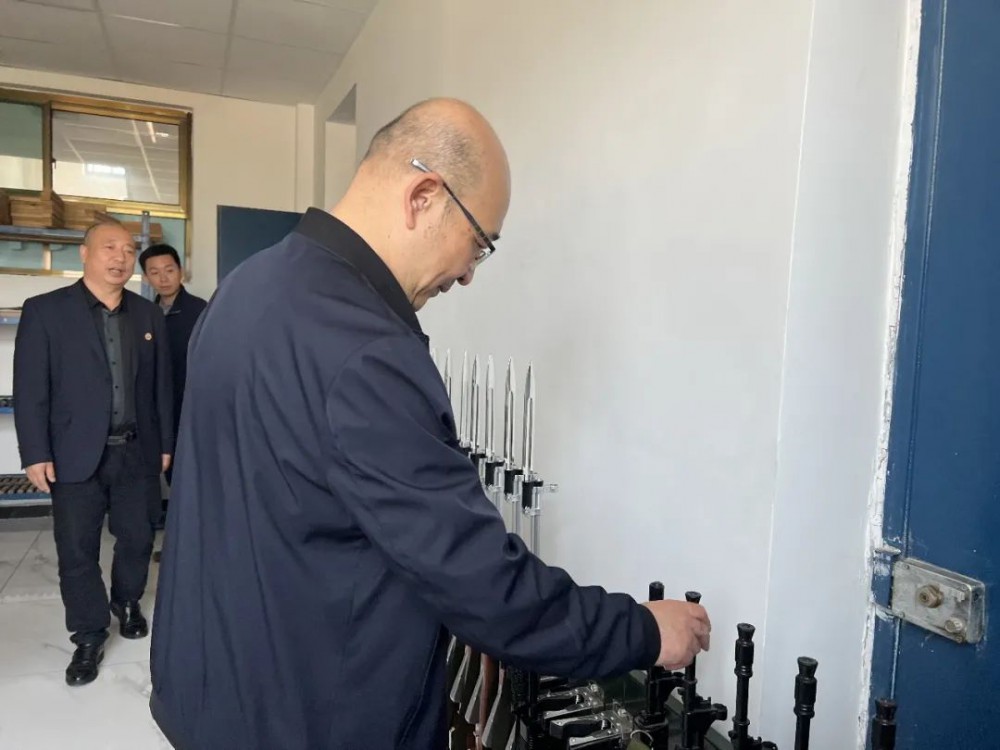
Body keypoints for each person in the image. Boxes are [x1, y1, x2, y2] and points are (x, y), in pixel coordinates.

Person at [150, 99, 711, 749]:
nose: (469, 274)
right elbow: (482, 585)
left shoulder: (248, 286)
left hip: (212, 691)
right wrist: (643, 630)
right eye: (479, 243)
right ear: (423, 197)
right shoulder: (366, 350)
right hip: (308, 719)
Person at [14, 218, 173, 687]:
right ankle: (88, 633)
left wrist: (166, 444)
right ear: (84, 254)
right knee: (77, 550)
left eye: (128, 250)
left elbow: (161, 387)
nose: (120, 257)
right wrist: (35, 451)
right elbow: (30, 388)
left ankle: (126, 600)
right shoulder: (46, 311)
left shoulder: (147, 316)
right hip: (73, 453)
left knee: (138, 539)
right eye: (109, 247)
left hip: (137, 450)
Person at [139, 243, 208, 561]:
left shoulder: (200, 310)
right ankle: (179, 545)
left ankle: (193, 547)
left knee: (193, 480)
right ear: (146, 277)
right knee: (169, 476)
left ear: (181, 271)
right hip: (157, 412)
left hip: (192, 410)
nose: (163, 278)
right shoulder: (144, 314)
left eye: (169, 270)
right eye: (155, 272)